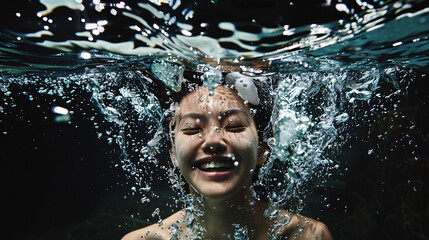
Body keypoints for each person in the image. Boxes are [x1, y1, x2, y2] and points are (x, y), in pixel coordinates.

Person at [122, 72, 333, 240]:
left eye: (233, 126)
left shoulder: (308, 236)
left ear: (263, 151)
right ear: (173, 155)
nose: (213, 142)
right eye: (192, 129)